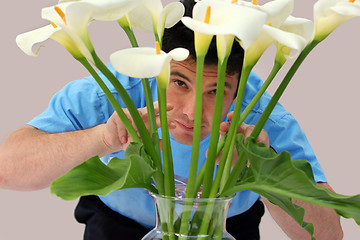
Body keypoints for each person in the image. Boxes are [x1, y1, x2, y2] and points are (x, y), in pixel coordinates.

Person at [0, 0, 343, 239]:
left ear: (239, 86)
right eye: (179, 82)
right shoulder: (110, 95)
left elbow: (327, 234)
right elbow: (8, 170)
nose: (193, 111)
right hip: (115, 227)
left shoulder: (262, 119)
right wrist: (102, 138)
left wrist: (261, 167)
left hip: (226, 230)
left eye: (216, 90)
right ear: (158, 60)